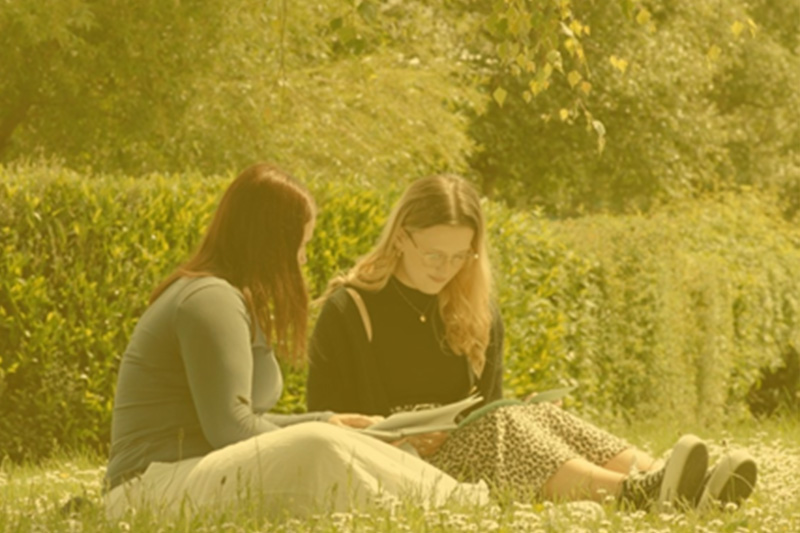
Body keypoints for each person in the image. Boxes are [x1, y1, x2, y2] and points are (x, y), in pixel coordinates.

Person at [307, 174, 757, 512]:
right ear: (401, 237)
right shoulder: (349, 309)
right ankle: (636, 492)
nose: (446, 268)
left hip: (470, 445)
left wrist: (516, 411)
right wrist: (397, 436)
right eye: (433, 254)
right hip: (394, 461)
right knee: (500, 424)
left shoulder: (473, 308)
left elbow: (487, 405)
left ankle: (678, 481)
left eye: (460, 255)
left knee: (528, 414)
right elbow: (326, 427)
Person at [104, 164, 489, 519]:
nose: (303, 260)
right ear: (270, 243)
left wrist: (327, 420)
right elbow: (231, 430)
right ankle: (449, 508)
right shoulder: (209, 300)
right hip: (150, 487)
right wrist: (323, 430)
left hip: (192, 473)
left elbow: (237, 421)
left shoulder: (228, 299)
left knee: (332, 437)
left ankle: (457, 504)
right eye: (300, 245)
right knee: (318, 446)